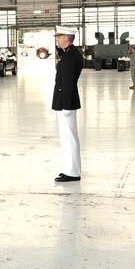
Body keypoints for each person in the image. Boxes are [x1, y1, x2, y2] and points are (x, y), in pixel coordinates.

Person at [52, 25, 83, 182]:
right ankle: (71, 169)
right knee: (67, 137)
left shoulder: (70, 57)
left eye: (59, 37)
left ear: (67, 39)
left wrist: (65, 105)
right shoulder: (70, 54)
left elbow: (69, 82)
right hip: (66, 101)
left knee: (69, 137)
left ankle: (73, 172)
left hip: (67, 102)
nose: (57, 39)